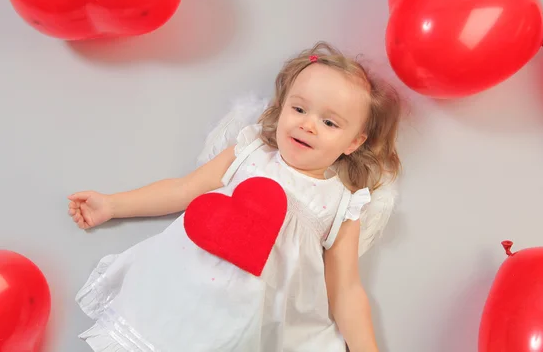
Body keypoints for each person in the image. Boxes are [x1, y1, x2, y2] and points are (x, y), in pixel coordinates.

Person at [68, 41, 402, 352]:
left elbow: (345, 291)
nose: (308, 125)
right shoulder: (249, 153)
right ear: (282, 106)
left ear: (353, 143)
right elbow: (183, 190)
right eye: (299, 109)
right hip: (191, 286)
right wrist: (113, 205)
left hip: (258, 317)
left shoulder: (342, 205)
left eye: (329, 122)